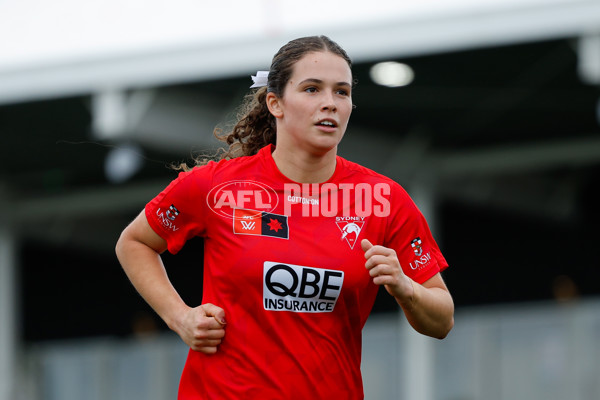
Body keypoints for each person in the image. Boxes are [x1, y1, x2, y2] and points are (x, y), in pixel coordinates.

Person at [115, 35, 454, 399]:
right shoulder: (214, 187)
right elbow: (134, 242)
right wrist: (180, 317)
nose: (330, 104)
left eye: (342, 92)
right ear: (276, 103)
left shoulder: (384, 199)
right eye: (312, 89)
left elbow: (442, 319)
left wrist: (406, 288)